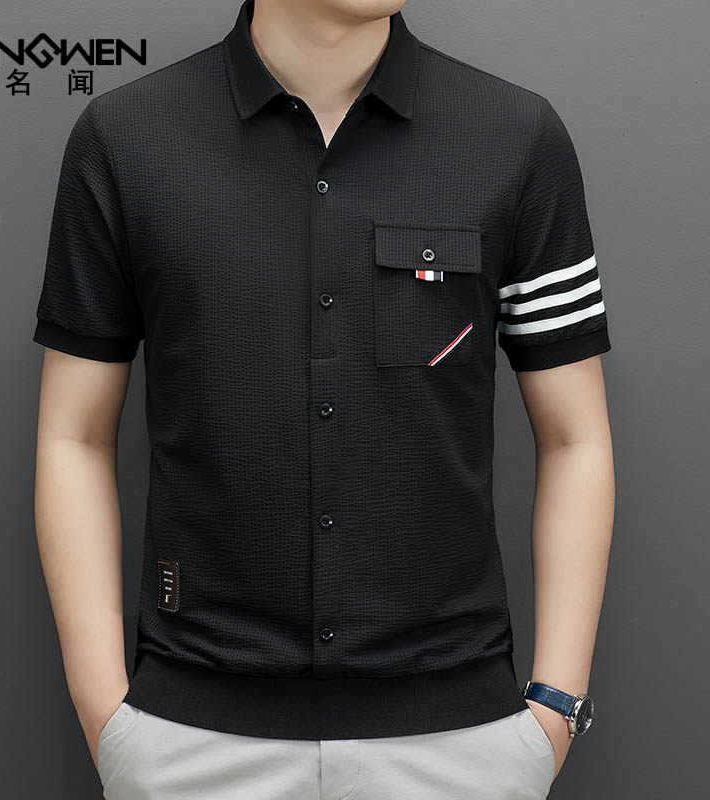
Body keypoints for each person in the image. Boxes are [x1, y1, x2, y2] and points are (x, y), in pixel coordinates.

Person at [32, 1, 615, 797]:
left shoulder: (515, 138)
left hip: (459, 749)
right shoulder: (127, 139)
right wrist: (107, 714)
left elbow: (578, 438)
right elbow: (72, 435)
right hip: (189, 745)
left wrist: (556, 707)